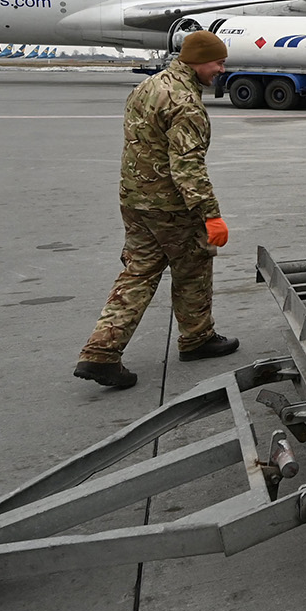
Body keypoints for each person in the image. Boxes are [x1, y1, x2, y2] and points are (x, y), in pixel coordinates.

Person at [74, 30, 240, 389]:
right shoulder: (185, 103)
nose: (221, 69)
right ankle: (197, 338)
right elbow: (187, 166)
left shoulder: (148, 87)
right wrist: (210, 215)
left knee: (139, 271)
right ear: (197, 60)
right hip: (170, 206)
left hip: (135, 200)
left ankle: (101, 352)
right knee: (193, 266)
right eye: (217, 62)